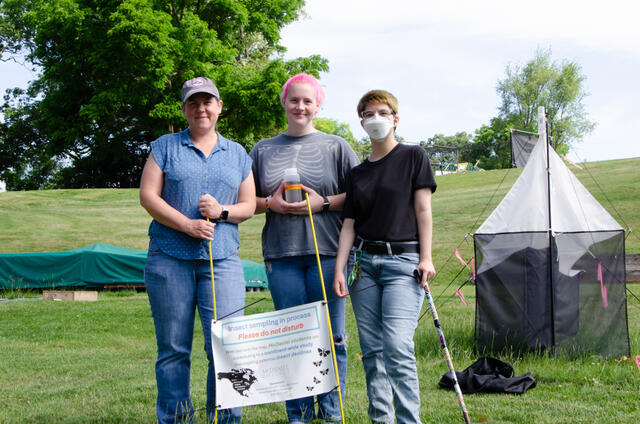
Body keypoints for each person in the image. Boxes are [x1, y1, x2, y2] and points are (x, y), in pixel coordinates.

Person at [140, 76, 256, 424]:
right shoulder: (164, 147)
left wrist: (221, 211)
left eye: (208, 102)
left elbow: (248, 205)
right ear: (184, 109)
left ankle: (223, 419)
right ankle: (175, 419)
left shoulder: (237, 153)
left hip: (221, 261)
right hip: (169, 258)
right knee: (174, 349)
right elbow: (148, 196)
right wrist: (187, 225)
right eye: (193, 103)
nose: (201, 108)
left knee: (226, 346)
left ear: (219, 107)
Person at [249, 73, 359, 423]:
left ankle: (331, 413)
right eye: (294, 100)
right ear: (284, 102)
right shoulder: (263, 149)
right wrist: (271, 203)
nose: (300, 106)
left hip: (328, 254)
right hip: (281, 258)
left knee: (332, 336)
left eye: (307, 101)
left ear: (318, 104)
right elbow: (244, 202)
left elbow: (359, 196)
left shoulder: (337, 147)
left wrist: (322, 203)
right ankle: (297, 414)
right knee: (292, 340)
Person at [333, 90, 437, 424]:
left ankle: (409, 419)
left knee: (396, 345)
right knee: (373, 350)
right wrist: (340, 268)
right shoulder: (357, 172)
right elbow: (349, 224)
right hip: (363, 267)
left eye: (382, 112)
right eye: (368, 113)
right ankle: (381, 418)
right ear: (361, 122)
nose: (375, 118)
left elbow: (423, 210)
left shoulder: (413, 156)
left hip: (403, 263)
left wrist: (427, 257)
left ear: (395, 118)